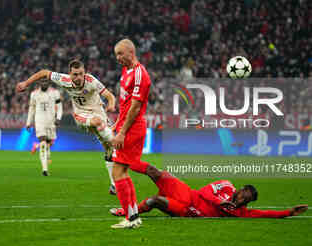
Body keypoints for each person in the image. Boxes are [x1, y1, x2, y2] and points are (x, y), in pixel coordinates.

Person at [16, 59, 117, 193]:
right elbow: (44, 72)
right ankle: (115, 142)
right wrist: (26, 83)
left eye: (81, 73)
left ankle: (114, 185)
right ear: (69, 74)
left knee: (109, 150)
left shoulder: (91, 81)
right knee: (102, 128)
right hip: (81, 115)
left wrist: (111, 104)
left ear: (84, 72)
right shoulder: (64, 80)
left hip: (98, 112)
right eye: (75, 74)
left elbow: (110, 96)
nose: (78, 77)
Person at [110, 166, 309, 218]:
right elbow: (205, 191)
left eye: (245, 200)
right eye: (242, 194)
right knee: (155, 172)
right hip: (187, 192)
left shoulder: (240, 213)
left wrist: (289, 212)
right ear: (240, 190)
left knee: (155, 201)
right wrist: (219, 202)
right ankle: (123, 163)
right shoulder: (226, 185)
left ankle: (126, 212)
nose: (241, 200)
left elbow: (266, 214)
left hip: (187, 210)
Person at [110, 38, 155, 229]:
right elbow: (126, 103)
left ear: (131, 52)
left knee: (118, 171)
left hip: (133, 128)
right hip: (127, 126)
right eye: (116, 55)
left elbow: (135, 108)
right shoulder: (126, 71)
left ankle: (131, 219)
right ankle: (133, 215)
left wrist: (121, 132)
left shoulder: (139, 74)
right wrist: (117, 125)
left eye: (120, 54)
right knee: (122, 171)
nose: (118, 58)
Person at [26, 78, 62, 176]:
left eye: (46, 81)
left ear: (49, 83)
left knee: (49, 143)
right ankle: (44, 170)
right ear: (39, 83)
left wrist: (58, 118)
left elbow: (59, 107)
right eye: (42, 82)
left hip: (51, 121)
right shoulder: (34, 94)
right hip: (39, 121)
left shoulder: (55, 93)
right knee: (43, 142)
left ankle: (38, 148)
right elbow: (31, 108)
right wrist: (28, 122)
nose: (44, 83)